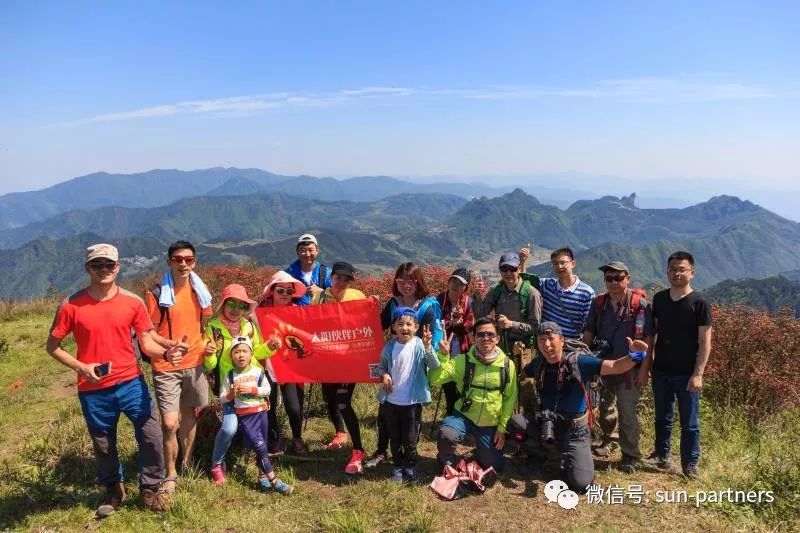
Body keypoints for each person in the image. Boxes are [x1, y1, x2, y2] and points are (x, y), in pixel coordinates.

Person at [46, 244, 188, 516]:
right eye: (97, 265)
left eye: (109, 265)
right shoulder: (70, 306)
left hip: (130, 381)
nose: (104, 270)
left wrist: (167, 353)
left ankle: (150, 488)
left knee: (151, 434)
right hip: (93, 387)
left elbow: (146, 342)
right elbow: (52, 346)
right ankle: (113, 489)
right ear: (87, 268)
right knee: (103, 442)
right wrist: (81, 366)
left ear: (118, 267)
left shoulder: (132, 302)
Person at [507, 322, 648, 492]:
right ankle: (540, 453)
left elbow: (615, 366)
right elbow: (524, 372)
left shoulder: (578, 362)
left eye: (551, 339)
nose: (546, 344)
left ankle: (564, 453)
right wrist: (518, 355)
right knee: (515, 423)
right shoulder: (539, 364)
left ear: (562, 341)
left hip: (575, 430)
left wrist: (635, 356)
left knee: (581, 483)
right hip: (548, 423)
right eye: (541, 340)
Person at [144, 240, 214, 494]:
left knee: (189, 415)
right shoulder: (155, 294)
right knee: (169, 423)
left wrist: (207, 346)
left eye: (188, 259)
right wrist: (166, 350)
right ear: (169, 262)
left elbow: (204, 326)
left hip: (195, 363)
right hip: (166, 366)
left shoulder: (200, 290)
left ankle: (187, 463)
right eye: (177, 259)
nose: (183, 263)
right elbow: (146, 334)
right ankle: (170, 472)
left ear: (194, 262)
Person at [639, 251, 712, 478]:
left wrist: (698, 373)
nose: (677, 273)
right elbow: (652, 336)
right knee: (663, 416)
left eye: (682, 269)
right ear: (667, 271)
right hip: (661, 369)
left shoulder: (699, 303)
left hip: (687, 373)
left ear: (692, 272)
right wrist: (648, 364)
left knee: (690, 423)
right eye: (673, 269)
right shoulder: (660, 299)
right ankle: (662, 456)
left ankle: (689, 465)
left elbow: (705, 342)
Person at [366, 262, 444, 469]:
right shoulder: (393, 303)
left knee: (410, 419)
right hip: (393, 365)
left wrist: (430, 351)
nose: (406, 285)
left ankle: (408, 456)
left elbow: (431, 338)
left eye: (411, 280)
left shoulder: (427, 306)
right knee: (386, 414)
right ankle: (383, 451)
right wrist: (368, 307)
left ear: (418, 282)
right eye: (401, 280)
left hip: (415, 367)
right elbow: (378, 324)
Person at [204, 283, 279, 485]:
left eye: (241, 304)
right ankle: (216, 464)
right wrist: (209, 354)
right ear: (223, 304)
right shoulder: (214, 328)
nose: (236, 308)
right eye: (231, 303)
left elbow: (258, 352)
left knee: (258, 430)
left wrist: (270, 347)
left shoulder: (249, 326)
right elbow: (210, 364)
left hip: (253, 385)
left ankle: (261, 468)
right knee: (229, 429)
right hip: (231, 388)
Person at [582, 261, 653, 473]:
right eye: (609, 278)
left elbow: (649, 339)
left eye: (618, 278)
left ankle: (630, 455)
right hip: (604, 365)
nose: (613, 282)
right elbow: (589, 333)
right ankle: (608, 439)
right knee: (605, 406)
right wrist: (582, 359)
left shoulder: (641, 306)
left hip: (630, 369)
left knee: (627, 411)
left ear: (628, 278)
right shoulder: (599, 304)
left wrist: (644, 370)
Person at [428, 317, 518, 473]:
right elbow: (435, 379)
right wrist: (443, 356)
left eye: (490, 334)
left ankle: (482, 453)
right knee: (447, 435)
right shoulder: (462, 361)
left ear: (497, 338)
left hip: (490, 421)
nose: (486, 338)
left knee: (494, 467)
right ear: (473, 338)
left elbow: (510, 398)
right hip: (464, 416)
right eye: (481, 334)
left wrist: (502, 428)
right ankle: (447, 462)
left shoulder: (507, 365)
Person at [311, 261, 369, 474]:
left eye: (346, 279)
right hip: (327, 359)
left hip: (348, 360)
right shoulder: (319, 297)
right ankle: (340, 433)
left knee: (343, 403)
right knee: (330, 398)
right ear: (331, 277)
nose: (342, 282)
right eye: (339, 278)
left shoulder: (357, 296)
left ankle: (358, 450)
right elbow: (310, 324)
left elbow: (367, 322)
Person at [217, 335, 293, 495]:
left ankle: (262, 477)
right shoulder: (230, 376)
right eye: (237, 352)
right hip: (245, 417)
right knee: (259, 446)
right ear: (231, 356)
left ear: (251, 354)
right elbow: (222, 397)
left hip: (261, 413)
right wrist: (230, 394)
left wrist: (252, 390)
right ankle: (274, 480)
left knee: (263, 445)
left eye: (245, 351)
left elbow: (268, 390)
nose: (241, 355)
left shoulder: (257, 372)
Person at [378, 307, 441, 482]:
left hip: (411, 403)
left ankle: (411, 466)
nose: (404, 328)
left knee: (410, 438)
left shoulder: (420, 345)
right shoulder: (389, 346)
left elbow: (434, 365)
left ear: (416, 327)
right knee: (395, 437)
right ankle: (398, 467)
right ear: (394, 327)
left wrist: (429, 347)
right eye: (400, 324)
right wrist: (384, 374)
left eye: (409, 324)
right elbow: (381, 366)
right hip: (391, 401)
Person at [256, 271, 310, 456]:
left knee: (294, 407)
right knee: (268, 406)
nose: (285, 294)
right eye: (280, 290)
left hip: (289, 366)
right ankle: (274, 440)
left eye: (289, 290)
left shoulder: (297, 312)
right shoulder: (259, 311)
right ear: (272, 291)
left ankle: (297, 438)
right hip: (265, 365)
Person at [435, 268, 475, 416]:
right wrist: (450, 322)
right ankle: (451, 411)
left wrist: (459, 324)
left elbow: (470, 325)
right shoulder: (440, 299)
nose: (455, 285)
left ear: (466, 287)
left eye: (460, 283)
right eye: (453, 281)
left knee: (462, 380)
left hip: (462, 347)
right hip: (443, 348)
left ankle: (460, 413)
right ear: (448, 281)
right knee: (447, 380)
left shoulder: (469, 302)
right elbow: (434, 323)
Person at [537, 247, 595, 339]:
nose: (559, 266)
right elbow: (526, 283)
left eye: (563, 263)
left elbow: (588, 327)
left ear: (573, 264)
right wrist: (523, 261)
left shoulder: (586, 293)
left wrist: (583, 350)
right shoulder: (547, 284)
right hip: (546, 345)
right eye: (555, 263)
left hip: (570, 348)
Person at [285, 233, 331, 306]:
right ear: (297, 252)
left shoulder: (327, 273)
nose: (307, 254)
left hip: (321, 315)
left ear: (317, 250)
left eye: (310, 250)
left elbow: (337, 298)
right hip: (297, 315)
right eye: (303, 250)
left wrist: (321, 292)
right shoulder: (288, 275)